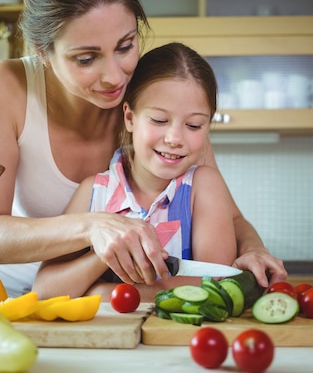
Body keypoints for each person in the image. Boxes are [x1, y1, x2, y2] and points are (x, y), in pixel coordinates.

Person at [0, 0, 286, 298]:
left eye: (125, 46)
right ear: (43, 51)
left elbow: (230, 217)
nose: (115, 77)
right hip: (0, 296)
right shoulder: (7, 86)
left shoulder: (154, 105)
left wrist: (253, 249)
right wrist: (95, 225)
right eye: (86, 59)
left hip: (101, 306)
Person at [33, 42, 237, 301]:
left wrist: (100, 292)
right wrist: (103, 256)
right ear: (129, 117)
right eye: (159, 120)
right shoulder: (94, 192)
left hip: (176, 339)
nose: (175, 138)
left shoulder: (204, 188)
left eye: (194, 125)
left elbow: (215, 286)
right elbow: (44, 290)